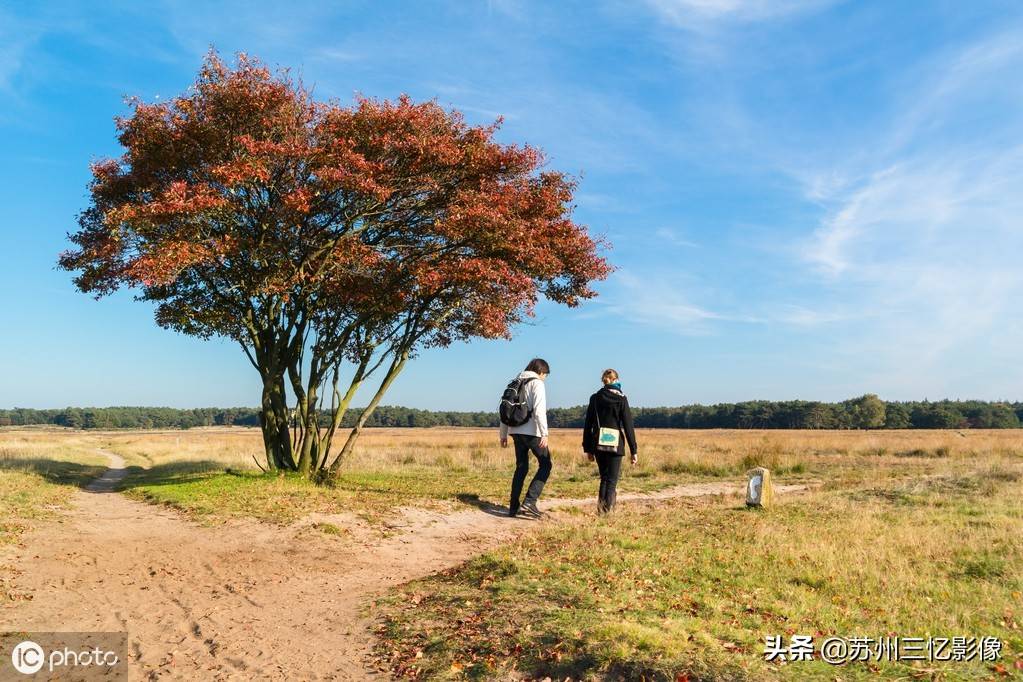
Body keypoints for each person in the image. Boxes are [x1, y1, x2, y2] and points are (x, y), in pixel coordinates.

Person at [500, 358, 552, 517]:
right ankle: (530, 501)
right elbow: (539, 410)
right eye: (546, 375)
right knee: (546, 464)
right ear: (541, 371)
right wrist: (545, 433)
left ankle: (513, 507)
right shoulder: (537, 383)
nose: (545, 378)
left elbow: (505, 409)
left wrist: (503, 433)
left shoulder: (514, 382)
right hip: (532, 432)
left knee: (521, 468)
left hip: (515, 431)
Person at [582, 368, 638, 514]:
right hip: (616, 444)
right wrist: (634, 450)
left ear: (604, 381)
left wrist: (587, 448)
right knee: (612, 481)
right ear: (616, 380)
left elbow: (588, 424)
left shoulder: (594, 398)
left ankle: (601, 511)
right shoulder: (621, 399)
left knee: (604, 478)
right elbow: (628, 426)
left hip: (598, 444)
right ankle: (608, 513)